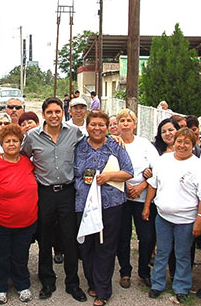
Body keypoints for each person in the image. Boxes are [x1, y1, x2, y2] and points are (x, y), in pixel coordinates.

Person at [21, 97, 87, 302]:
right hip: (44, 193)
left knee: (69, 238)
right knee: (45, 238)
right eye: (49, 112)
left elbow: (94, 143)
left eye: (57, 111)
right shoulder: (32, 136)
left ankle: (72, 283)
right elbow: (22, 158)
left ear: (63, 112)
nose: (54, 115)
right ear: (43, 115)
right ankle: (47, 281)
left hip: (68, 192)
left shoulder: (74, 133)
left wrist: (116, 139)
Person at [74, 110, 134, 306]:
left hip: (111, 205)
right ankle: (92, 281)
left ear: (107, 127)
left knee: (105, 247)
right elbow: (73, 172)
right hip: (84, 204)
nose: (97, 128)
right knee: (86, 246)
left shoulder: (115, 146)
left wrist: (109, 177)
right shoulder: (79, 146)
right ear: (87, 126)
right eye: (93, 124)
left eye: (101, 125)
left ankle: (102, 290)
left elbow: (128, 172)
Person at [146, 128, 201, 303]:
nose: (182, 145)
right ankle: (157, 284)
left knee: (182, 254)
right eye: (179, 141)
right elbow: (153, 185)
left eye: (187, 143)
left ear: (193, 145)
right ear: (174, 141)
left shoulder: (198, 166)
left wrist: (199, 220)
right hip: (163, 217)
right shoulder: (163, 160)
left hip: (186, 220)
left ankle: (181, 287)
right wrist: (146, 206)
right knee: (162, 252)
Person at [0, 124, 38, 304]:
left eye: (15, 141)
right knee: (0, 257)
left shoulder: (27, 162)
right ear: (1, 144)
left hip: (27, 222)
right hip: (2, 222)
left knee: (21, 256)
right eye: (7, 141)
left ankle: (22, 285)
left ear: (20, 143)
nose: (12, 144)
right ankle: (0, 288)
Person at [115, 109, 159, 289]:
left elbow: (157, 169)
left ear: (135, 124)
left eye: (129, 120)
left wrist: (141, 186)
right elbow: (108, 167)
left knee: (147, 237)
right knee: (122, 237)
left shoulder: (145, 144)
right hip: (121, 196)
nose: (125, 123)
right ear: (117, 125)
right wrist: (126, 187)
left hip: (143, 198)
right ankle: (125, 271)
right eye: (122, 120)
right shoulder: (113, 143)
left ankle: (144, 271)